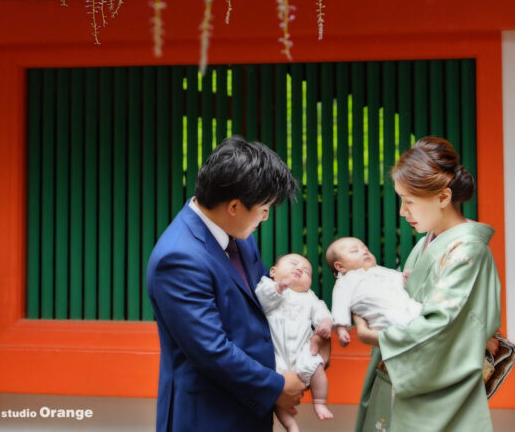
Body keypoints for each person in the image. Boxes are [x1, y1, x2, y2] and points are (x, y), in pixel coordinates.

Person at [146, 136, 312, 432]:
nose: (266, 216)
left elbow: (260, 307)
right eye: (264, 208)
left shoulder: (237, 234)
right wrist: (276, 386)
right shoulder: (178, 257)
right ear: (234, 205)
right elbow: (211, 350)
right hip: (208, 416)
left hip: (248, 404)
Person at [353, 136, 501, 432]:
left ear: (443, 197)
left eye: (409, 202)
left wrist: (377, 336)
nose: (402, 211)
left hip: (436, 393)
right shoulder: (425, 245)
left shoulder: (467, 252)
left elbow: (441, 328)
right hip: (399, 376)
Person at [255, 253, 334, 432]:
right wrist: (278, 288)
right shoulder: (267, 285)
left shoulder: (309, 296)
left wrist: (325, 323)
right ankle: (291, 425)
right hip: (275, 352)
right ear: (273, 272)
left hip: (303, 350)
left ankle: (320, 401)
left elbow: (322, 311)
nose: (300, 268)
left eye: (306, 271)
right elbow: (260, 301)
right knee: (278, 390)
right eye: (293, 264)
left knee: (317, 367)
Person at [325, 237, 422, 347]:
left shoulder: (380, 270)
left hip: (404, 305)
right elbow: (340, 304)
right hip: (380, 314)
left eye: (366, 249)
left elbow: (398, 279)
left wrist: (406, 278)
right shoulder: (345, 281)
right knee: (400, 323)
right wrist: (341, 329)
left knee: (418, 309)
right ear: (340, 266)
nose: (364, 252)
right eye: (354, 251)